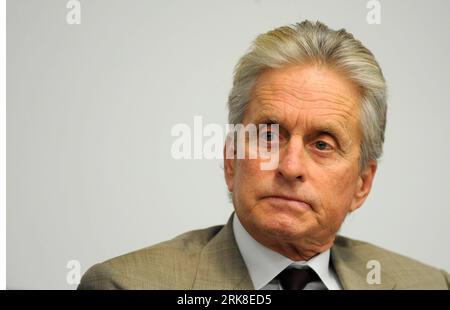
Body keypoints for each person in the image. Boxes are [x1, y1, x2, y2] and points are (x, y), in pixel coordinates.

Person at [78, 20, 450, 290]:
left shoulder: (431, 285)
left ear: (362, 185)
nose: (289, 167)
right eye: (269, 136)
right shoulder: (124, 285)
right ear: (230, 160)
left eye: (323, 144)